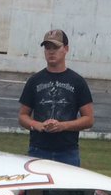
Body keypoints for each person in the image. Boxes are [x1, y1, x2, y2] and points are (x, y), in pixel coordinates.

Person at [17, 29, 94, 167]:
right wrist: (38, 125)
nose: (51, 52)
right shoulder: (35, 80)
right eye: (48, 48)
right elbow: (23, 116)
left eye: (56, 47)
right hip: (38, 150)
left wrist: (63, 126)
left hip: (67, 152)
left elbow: (88, 119)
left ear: (66, 49)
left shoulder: (77, 81)